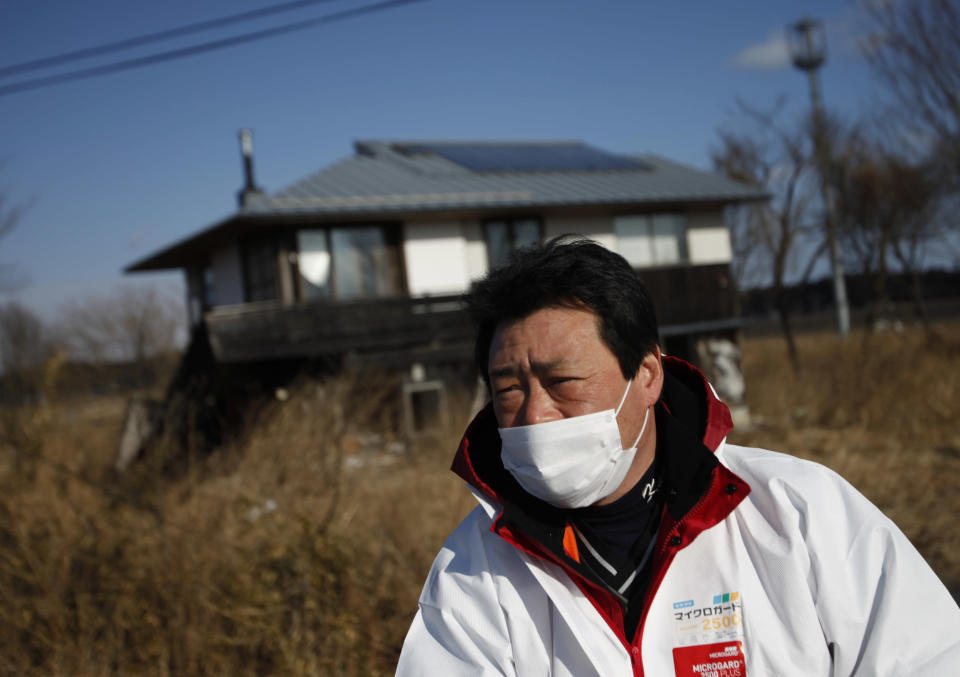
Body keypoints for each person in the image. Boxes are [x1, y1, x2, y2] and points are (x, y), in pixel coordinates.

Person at [396, 237, 960, 676]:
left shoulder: (798, 513)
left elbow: (925, 657)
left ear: (646, 374)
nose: (535, 415)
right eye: (509, 390)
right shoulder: (477, 565)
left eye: (563, 380)